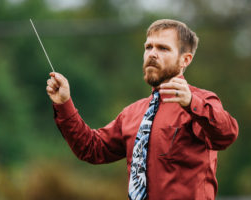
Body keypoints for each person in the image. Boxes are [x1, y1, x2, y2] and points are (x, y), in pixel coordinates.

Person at [46, 19, 239, 200]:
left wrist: (191, 103)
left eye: (163, 48)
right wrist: (64, 103)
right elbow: (91, 149)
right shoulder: (132, 113)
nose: (152, 53)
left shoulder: (201, 102)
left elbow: (226, 134)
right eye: (148, 47)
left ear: (185, 60)